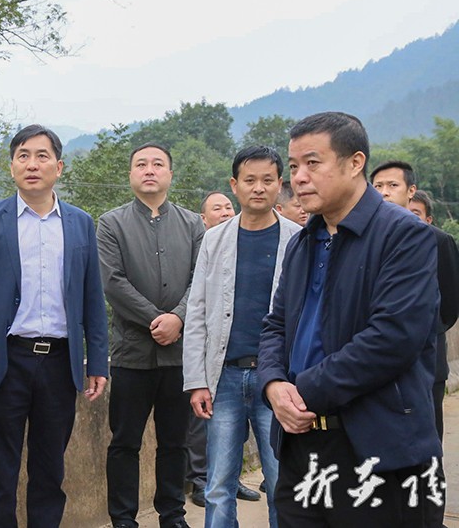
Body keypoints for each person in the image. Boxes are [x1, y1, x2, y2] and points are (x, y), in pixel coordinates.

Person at [259, 112, 442, 527]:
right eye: (293, 166)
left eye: (312, 163)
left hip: (376, 450)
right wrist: (273, 384)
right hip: (300, 448)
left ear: (355, 162)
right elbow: (276, 324)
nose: (299, 178)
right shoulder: (304, 242)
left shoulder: (403, 234)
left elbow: (392, 338)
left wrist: (302, 391)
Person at [0, 124, 109, 528]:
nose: (32, 164)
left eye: (42, 156)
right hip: (4, 362)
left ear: (59, 166)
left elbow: (93, 298)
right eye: (23, 156)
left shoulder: (79, 223)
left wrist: (98, 362)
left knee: (50, 471)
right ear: (11, 167)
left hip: (59, 363)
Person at [184, 145, 299, 528]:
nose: (258, 188)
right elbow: (197, 312)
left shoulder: (298, 240)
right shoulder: (215, 240)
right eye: (250, 180)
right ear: (235, 185)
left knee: (282, 482)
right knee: (218, 484)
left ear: (280, 184)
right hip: (225, 378)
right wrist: (197, 381)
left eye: (267, 180)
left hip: (278, 379)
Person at [97, 143, 204, 528]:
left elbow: (201, 280)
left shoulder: (192, 225)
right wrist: (158, 320)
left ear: (170, 174)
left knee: (175, 443)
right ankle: (123, 519)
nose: (149, 170)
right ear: (130, 174)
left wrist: (178, 318)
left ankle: (172, 515)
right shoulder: (111, 224)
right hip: (132, 355)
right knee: (125, 442)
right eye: (141, 164)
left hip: (179, 356)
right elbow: (113, 282)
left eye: (158, 164)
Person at [371, 164, 459, 527]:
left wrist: (416, 337)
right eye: (378, 185)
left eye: (392, 184)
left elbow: (449, 307)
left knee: (427, 449)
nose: (384, 191)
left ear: (411, 191)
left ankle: (431, 518)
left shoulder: (438, 240)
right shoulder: (368, 239)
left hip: (425, 368)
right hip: (378, 370)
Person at [187, 189, 260, 508]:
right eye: (217, 208)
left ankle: (235, 479)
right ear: (203, 218)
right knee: (204, 430)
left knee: (241, 435)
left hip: (259, 364)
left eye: (228, 206)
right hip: (214, 361)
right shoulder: (206, 245)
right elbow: (195, 304)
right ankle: (199, 480)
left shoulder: (270, 239)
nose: (225, 212)